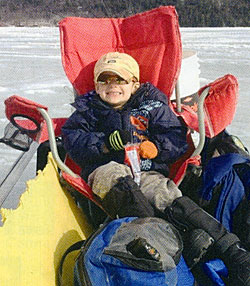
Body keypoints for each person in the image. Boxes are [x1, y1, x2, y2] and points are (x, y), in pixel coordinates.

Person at [62, 52, 250, 285]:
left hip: (147, 169)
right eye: (104, 80)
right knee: (120, 183)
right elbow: (74, 141)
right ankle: (166, 250)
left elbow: (176, 138)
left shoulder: (152, 105)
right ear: (97, 86)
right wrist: (104, 144)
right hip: (105, 169)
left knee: (166, 195)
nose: (112, 85)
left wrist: (157, 148)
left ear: (135, 84)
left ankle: (233, 250)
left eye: (120, 80)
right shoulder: (87, 111)